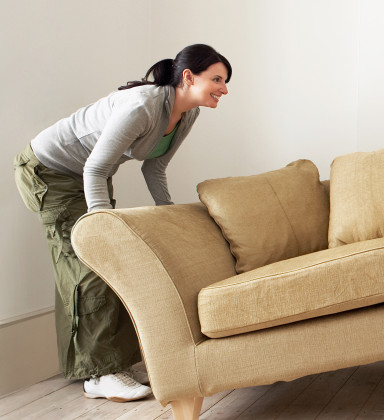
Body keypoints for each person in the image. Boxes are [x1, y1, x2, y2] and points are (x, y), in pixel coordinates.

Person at [14, 44, 231, 402]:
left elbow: (155, 167)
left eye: (225, 81)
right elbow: (95, 167)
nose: (224, 88)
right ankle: (98, 375)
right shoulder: (143, 105)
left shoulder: (187, 114)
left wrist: (169, 214)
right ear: (189, 77)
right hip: (50, 173)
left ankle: (101, 363)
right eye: (217, 79)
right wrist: (101, 226)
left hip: (89, 176)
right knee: (91, 265)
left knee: (90, 268)